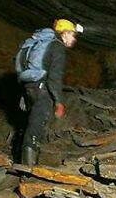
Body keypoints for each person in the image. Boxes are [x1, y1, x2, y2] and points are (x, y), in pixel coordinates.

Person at [15, 18, 83, 166]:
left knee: (30, 123)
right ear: (64, 33)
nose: (73, 39)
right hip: (42, 90)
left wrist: (23, 93)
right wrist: (58, 101)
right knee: (37, 125)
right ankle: (28, 166)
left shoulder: (37, 44)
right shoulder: (57, 47)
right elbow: (54, 77)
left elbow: (23, 68)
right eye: (72, 35)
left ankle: (27, 161)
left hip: (29, 87)